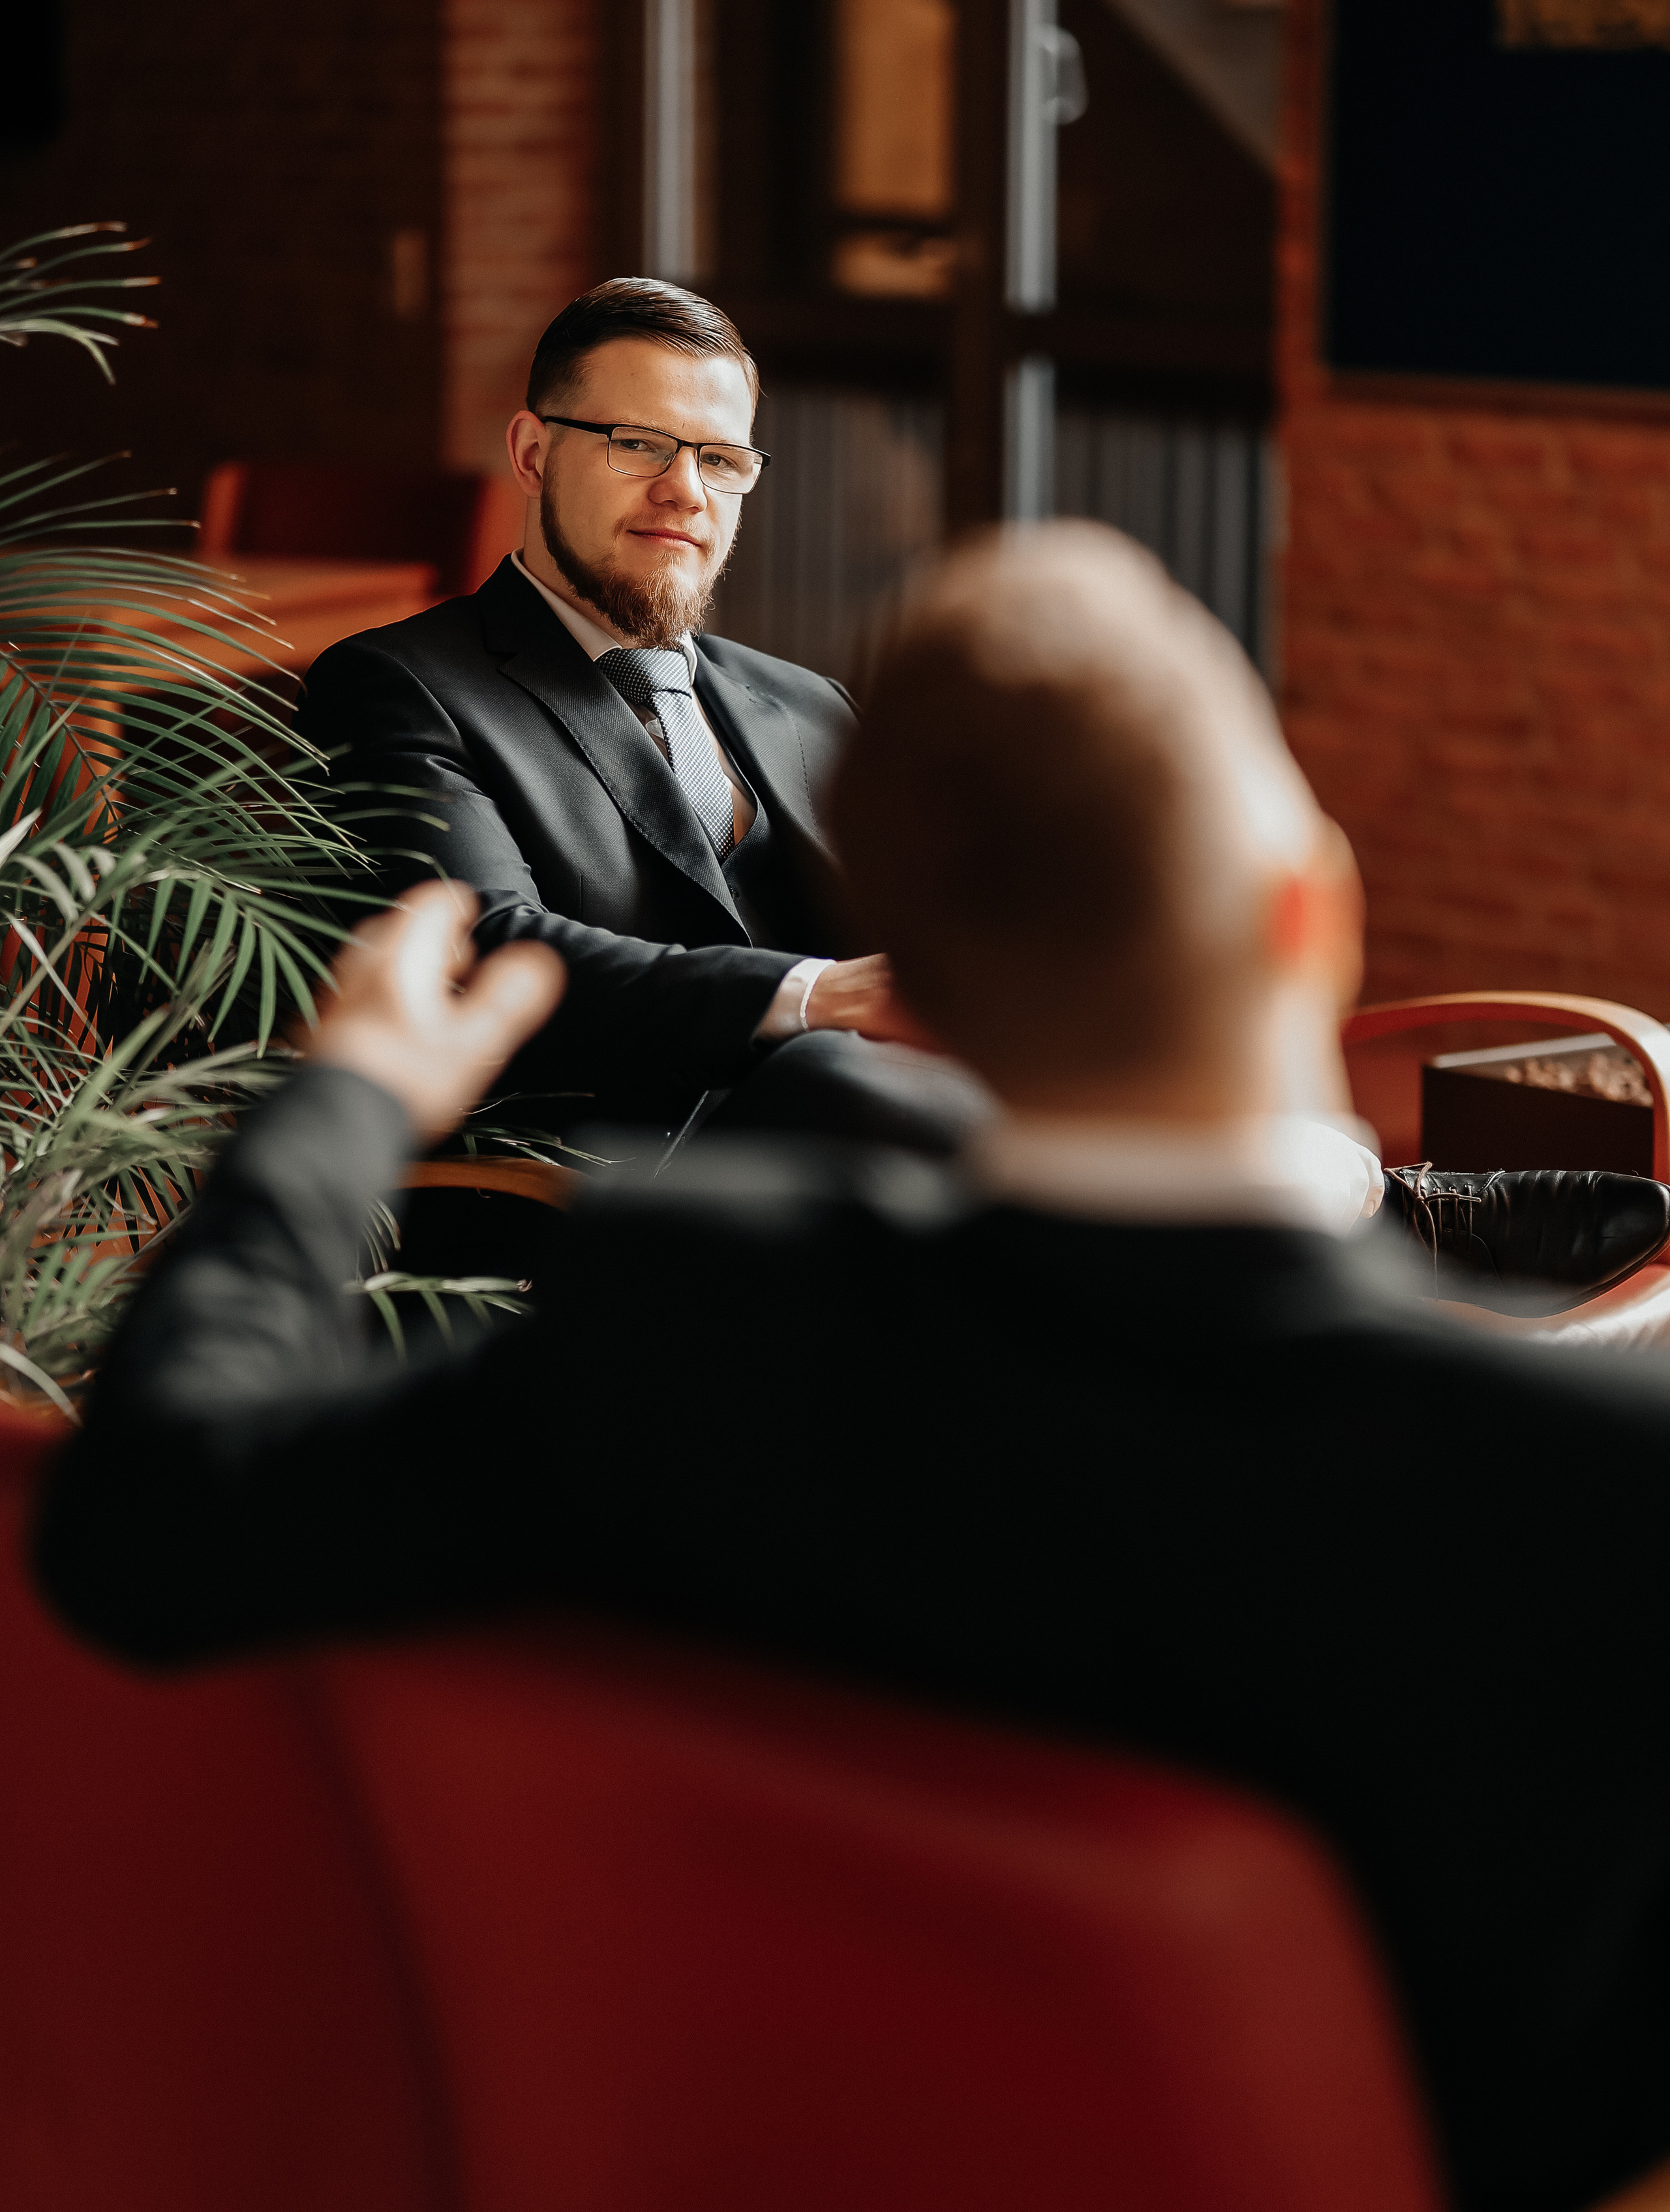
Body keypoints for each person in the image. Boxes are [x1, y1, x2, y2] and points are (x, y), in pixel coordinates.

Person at [33, 523, 1670, 2212]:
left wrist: (354, 1095)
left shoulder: (683, 1320)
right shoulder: (1604, 1491)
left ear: (923, 992)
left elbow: (144, 1519)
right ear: (1310, 913)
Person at [302, 275, 980, 1164]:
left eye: (721, 459)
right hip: (603, 1198)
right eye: (640, 445)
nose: (686, 491)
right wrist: (819, 996)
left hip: (857, 1191)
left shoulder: (814, 705)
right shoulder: (397, 685)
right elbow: (489, 957)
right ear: (533, 452)